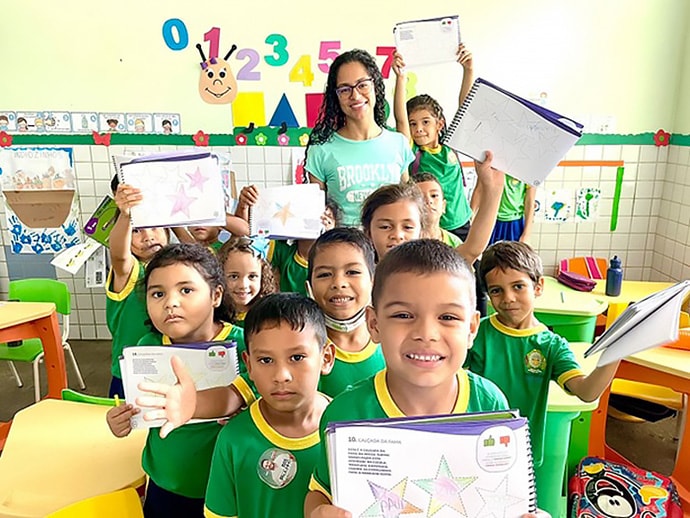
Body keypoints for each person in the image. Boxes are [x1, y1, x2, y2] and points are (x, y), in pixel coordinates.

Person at [303, 239, 510, 517]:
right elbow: (320, 492)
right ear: (374, 325)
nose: (426, 333)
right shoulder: (344, 413)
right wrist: (317, 512)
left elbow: (505, 494)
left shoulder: (490, 403)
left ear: (472, 328)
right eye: (403, 315)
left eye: (448, 316)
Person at [105, 243, 245, 517]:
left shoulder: (243, 344)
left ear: (216, 295)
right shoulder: (146, 347)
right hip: (166, 485)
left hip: (229, 486)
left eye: (186, 290)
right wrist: (119, 420)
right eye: (157, 293)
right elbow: (139, 410)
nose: (170, 302)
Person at [465, 240, 620, 469]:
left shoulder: (552, 346)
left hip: (520, 451)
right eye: (497, 291)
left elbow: (587, 392)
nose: (508, 298)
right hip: (473, 444)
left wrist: (617, 352)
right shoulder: (477, 333)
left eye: (518, 286)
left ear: (538, 287)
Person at [204, 293, 335, 518]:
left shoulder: (345, 431)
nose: (281, 376)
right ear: (249, 365)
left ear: (326, 358)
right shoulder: (233, 439)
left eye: (297, 357)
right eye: (265, 360)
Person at [305, 48, 414, 226]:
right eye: (345, 89)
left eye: (362, 84)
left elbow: (407, 204)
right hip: (345, 249)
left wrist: (401, 78)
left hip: (392, 251)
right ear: (336, 96)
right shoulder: (321, 151)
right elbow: (316, 215)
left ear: (375, 86)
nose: (355, 95)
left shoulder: (398, 143)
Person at [359, 150, 504, 264]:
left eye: (408, 227)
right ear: (368, 231)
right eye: (385, 226)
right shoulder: (363, 277)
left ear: (420, 231)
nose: (397, 235)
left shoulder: (431, 270)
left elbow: (471, 250)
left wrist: (494, 189)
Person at [392, 44, 474, 240]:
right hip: (428, 228)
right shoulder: (412, 152)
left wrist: (468, 70)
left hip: (460, 224)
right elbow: (400, 120)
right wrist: (401, 78)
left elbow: (466, 109)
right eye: (413, 124)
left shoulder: (450, 146)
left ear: (439, 124)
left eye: (425, 122)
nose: (418, 128)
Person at [106, 180, 169, 398]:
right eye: (137, 231)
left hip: (166, 371)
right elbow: (119, 255)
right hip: (129, 375)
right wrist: (125, 216)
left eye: (155, 227)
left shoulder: (176, 271)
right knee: (128, 429)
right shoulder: (130, 272)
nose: (148, 236)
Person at [307, 227, 385, 397]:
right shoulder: (300, 342)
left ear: (373, 280)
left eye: (352, 272)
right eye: (324, 274)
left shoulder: (392, 341)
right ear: (309, 285)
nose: (339, 283)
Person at [234, 185, 341, 296]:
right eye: (313, 214)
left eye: (328, 218)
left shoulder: (335, 261)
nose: (320, 221)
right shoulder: (284, 252)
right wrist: (243, 206)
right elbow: (245, 238)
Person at [218, 236, 277, 326]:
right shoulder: (213, 315)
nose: (243, 285)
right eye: (234, 276)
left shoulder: (270, 317)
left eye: (252, 276)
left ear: (263, 277)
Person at [472, 174, 537, 244]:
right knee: (487, 252)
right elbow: (479, 189)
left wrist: (526, 234)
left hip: (515, 222)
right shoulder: (493, 164)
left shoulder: (528, 169)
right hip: (490, 218)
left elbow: (530, 202)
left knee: (512, 253)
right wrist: (471, 218)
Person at [411, 172, 462, 247]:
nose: (429, 201)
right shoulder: (403, 241)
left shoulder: (455, 243)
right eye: (420, 197)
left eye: (434, 195)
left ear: (443, 206)